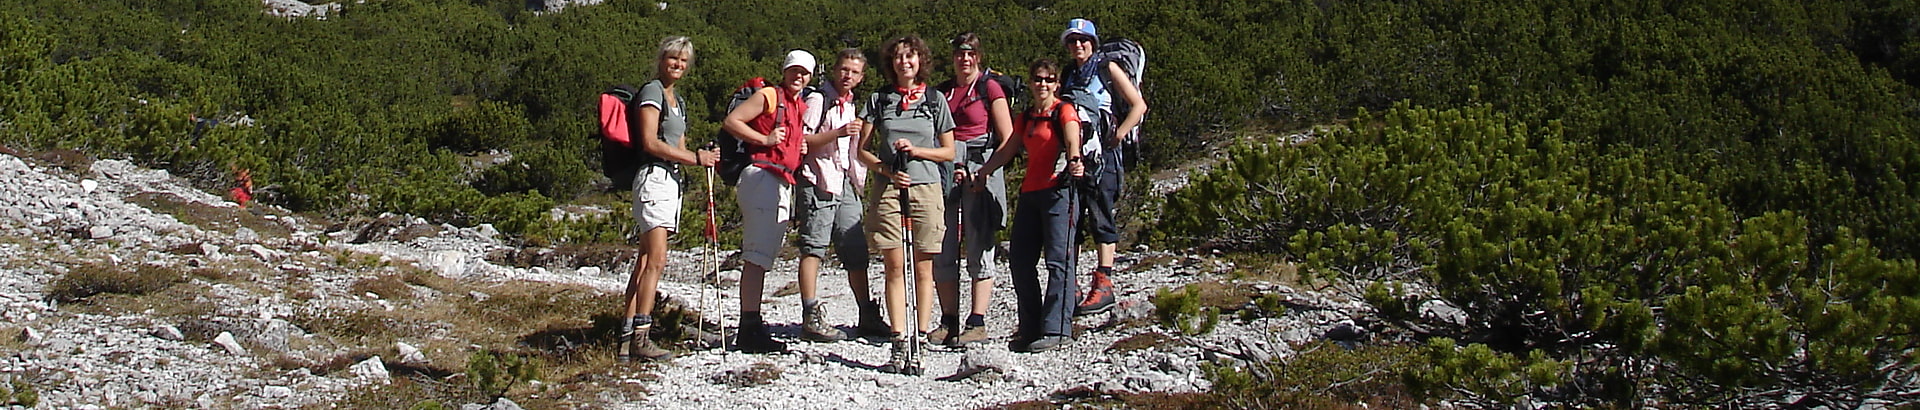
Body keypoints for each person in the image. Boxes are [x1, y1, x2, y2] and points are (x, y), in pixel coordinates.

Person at [858, 35, 956, 375]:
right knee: (894, 265)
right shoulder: (879, 99)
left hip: (927, 185)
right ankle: (900, 339)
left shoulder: (934, 99)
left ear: (921, 60)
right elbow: (863, 151)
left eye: (911, 56)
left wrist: (916, 152)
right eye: (899, 57)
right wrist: (886, 169)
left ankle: (922, 337)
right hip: (889, 188)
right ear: (891, 63)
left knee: (924, 266)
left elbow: (949, 152)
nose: (905, 63)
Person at [971, 58, 1083, 353]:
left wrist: (1074, 160)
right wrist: (984, 171)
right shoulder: (1027, 117)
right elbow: (1008, 148)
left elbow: (1072, 138)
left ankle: (1058, 327)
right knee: (1021, 261)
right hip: (1031, 193)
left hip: (1060, 191)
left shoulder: (1064, 111)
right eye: (1038, 79)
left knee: (1059, 260)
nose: (1042, 84)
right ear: (1031, 82)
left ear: (1057, 84)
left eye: (1048, 79)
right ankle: (1031, 327)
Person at [619, 36, 719, 362]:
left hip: (667, 180)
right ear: (662, 59)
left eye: (683, 61)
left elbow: (679, 145)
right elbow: (650, 141)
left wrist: (696, 157)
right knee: (655, 260)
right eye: (673, 58)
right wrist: (695, 159)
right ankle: (641, 338)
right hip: (654, 178)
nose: (678, 65)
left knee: (646, 261)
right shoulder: (652, 92)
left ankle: (628, 336)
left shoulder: (677, 100)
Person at [721, 49, 818, 353]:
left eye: (804, 73)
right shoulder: (769, 96)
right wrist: (763, 140)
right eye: (794, 71)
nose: (798, 76)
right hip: (763, 176)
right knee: (757, 256)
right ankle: (749, 329)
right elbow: (732, 121)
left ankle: (751, 324)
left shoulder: (797, 105)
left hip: (778, 179)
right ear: (785, 71)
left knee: (761, 255)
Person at [794, 48, 888, 341]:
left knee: (855, 249)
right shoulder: (818, 100)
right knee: (814, 246)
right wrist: (839, 132)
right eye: (844, 69)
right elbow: (803, 140)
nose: (848, 75)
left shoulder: (849, 104)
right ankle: (810, 313)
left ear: (861, 78)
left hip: (844, 181)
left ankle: (866, 312)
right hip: (818, 179)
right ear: (834, 70)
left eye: (854, 72)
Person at [929, 32, 1015, 347]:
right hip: (949, 170)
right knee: (943, 243)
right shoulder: (944, 92)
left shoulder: (989, 88)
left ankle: (976, 320)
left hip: (980, 168)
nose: (964, 59)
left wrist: (984, 171)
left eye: (970, 54)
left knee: (980, 242)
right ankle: (948, 319)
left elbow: (1007, 137)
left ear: (978, 57)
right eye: (959, 54)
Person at [1060, 18, 1147, 316]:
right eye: (1072, 41)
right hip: (1077, 155)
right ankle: (1072, 285)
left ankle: (1104, 282)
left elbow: (1138, 105)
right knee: (1074, 216)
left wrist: (1120, 134)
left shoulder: (1107, 68)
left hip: (1104, 156)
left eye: (1083, 40)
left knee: (1101, 215)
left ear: (1093, 43)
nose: (1077, 45)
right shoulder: (1069, 73)